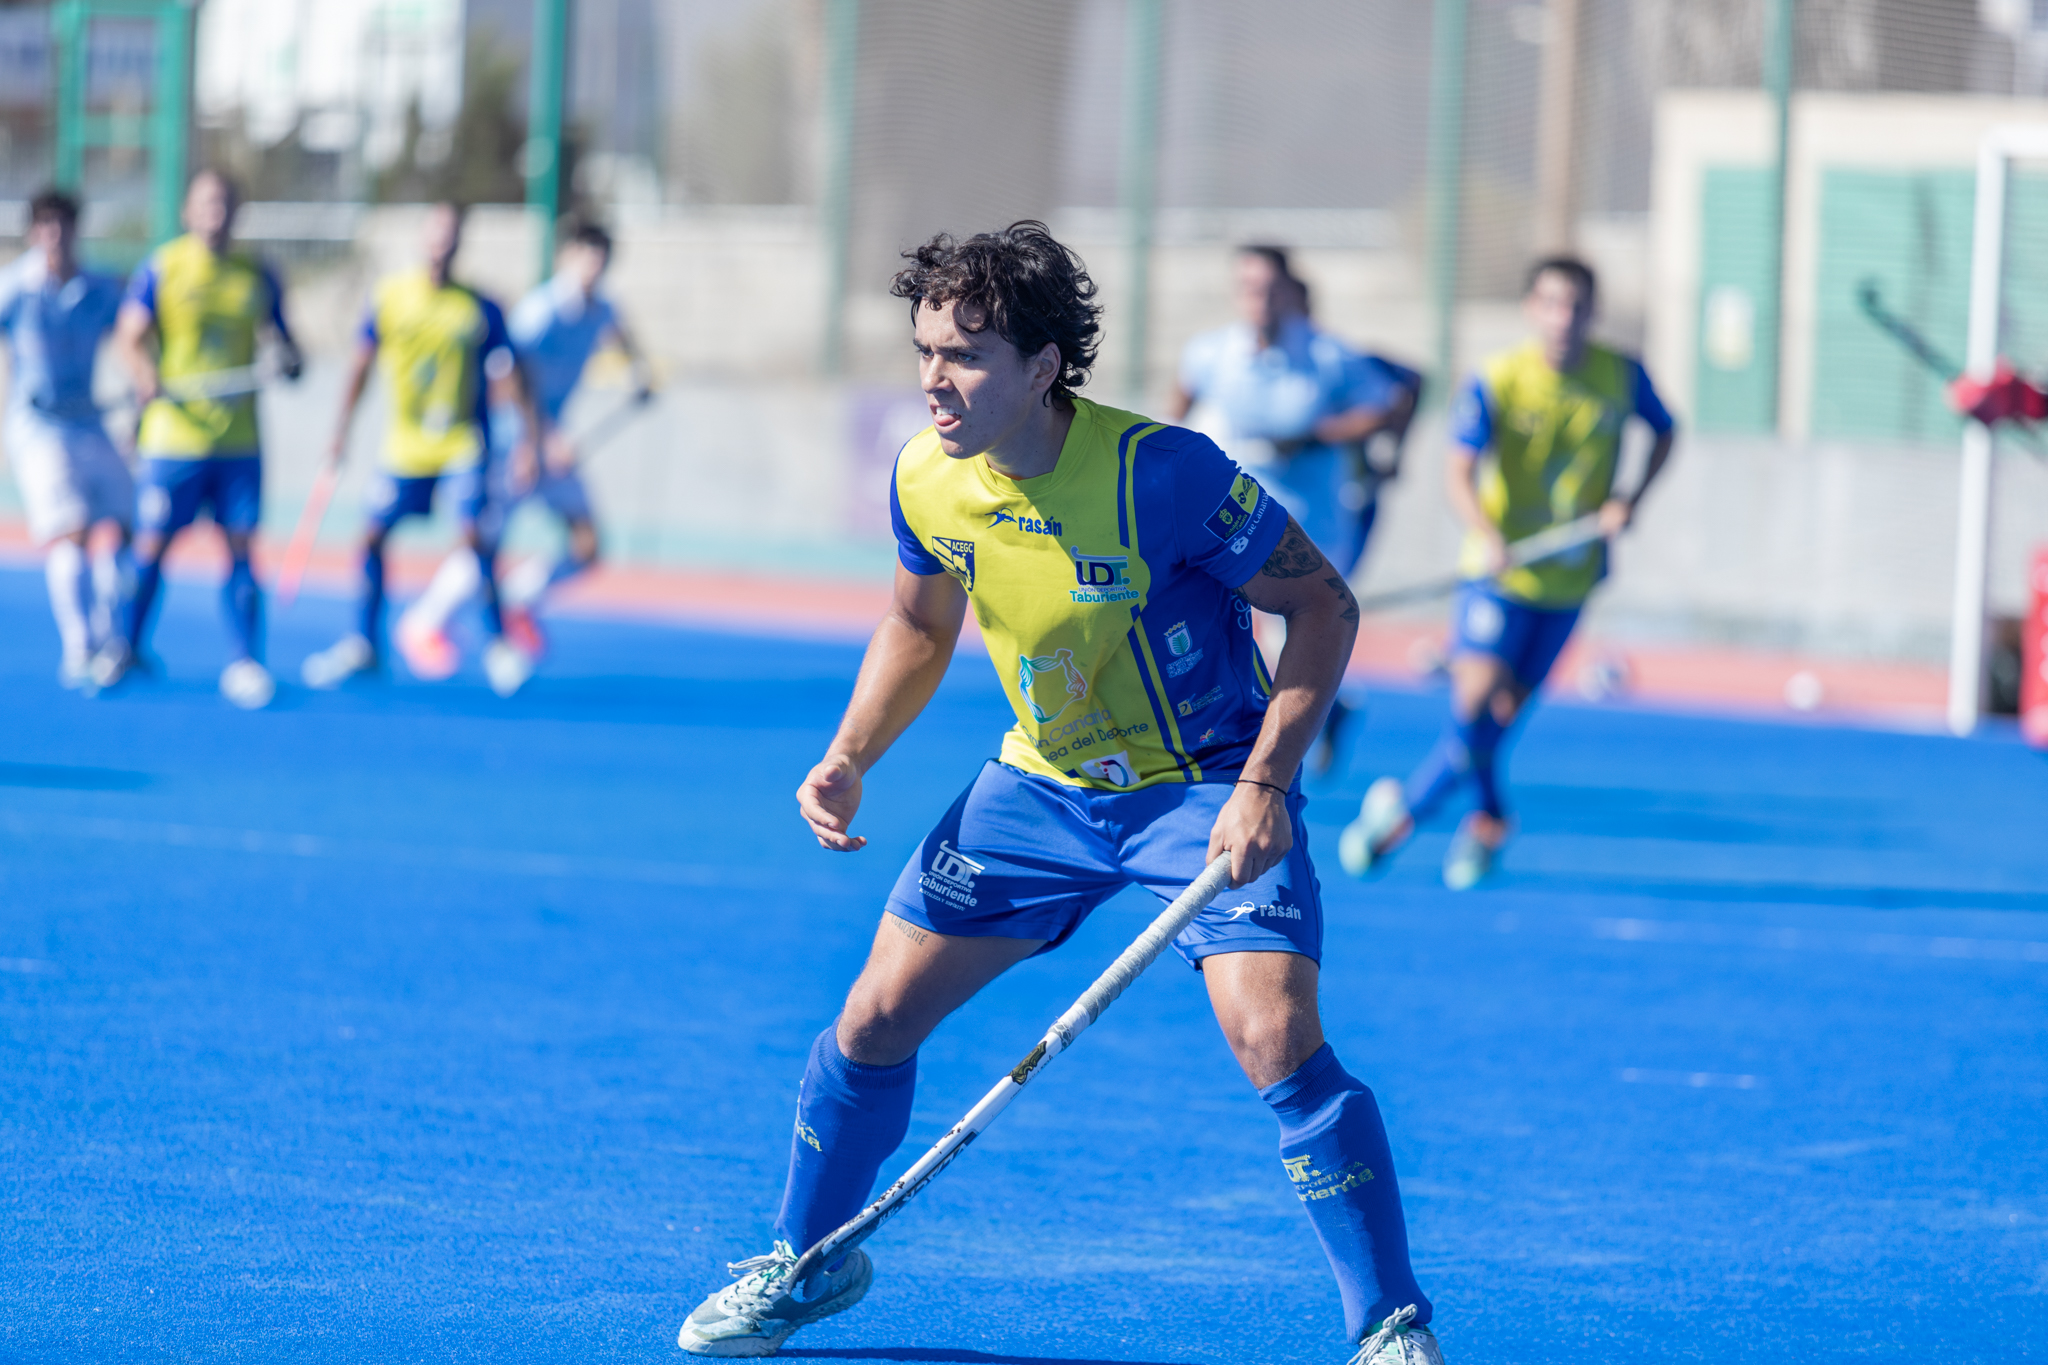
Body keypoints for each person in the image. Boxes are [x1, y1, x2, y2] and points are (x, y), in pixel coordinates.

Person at [676, 222, 1442, 1365]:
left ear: (1042, 367)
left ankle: (1387, 1326)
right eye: (924, 349)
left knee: (1275, 1036)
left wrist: (1265, 784)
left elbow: (1321, 606)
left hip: (1203, 786)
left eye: (964, 355)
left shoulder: (1163, 475)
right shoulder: (925, 477)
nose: (934, 377)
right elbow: (916, 624)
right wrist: (849, 755)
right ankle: (802, 1262)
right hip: (1039, 788)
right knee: (870, 1023)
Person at [1339, 257, 1676, 891]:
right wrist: (1487, 535)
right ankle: (1451, 820)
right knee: (1473, 709)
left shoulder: (1621, 376)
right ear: (1531, 310)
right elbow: (1458, 471)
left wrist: (1630, 497)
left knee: (1494, 725)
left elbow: (1666, 431)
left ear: (1593, 313)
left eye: (1576, 306)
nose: (1564, 319)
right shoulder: (1496, 380)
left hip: (1570, 580)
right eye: (1552, 304)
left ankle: (1455, 815)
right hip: (1497, 575)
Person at [1170, 245, 1418, 774]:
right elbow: (1177, 412)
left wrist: (1317, 437)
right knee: (1216, 635)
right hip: (1228, 526)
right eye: (1248, 287)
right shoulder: (1212, 353)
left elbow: (1393, 402)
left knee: (1291, 640)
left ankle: (1274, 768)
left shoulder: (1328, 357)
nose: (1259, 299)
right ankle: (1289, 725)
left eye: (1269, 288)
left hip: (1310, 523)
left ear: (1288, 291)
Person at [298, 202, 541, 697]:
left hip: (460, 443)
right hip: (405, 447)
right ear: (422, 238)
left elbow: (514, 376)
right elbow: (361, 365)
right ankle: (364, 644)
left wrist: (530, 443)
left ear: (460, 243)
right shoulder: (390, 297)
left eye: (452, 234)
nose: (442, 243)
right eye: (436, 232)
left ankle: (498, 645)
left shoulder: (479, 307)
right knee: (371, 536)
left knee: (475, 536)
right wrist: (341, 430)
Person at [394, 217, 653, 674]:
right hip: (514, 440)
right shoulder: (541, 311)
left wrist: (638, 373)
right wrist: (537, 441)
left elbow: (621, 332)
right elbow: (508, 376)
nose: (593, 266)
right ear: (567, 255)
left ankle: (518, 601)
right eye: (585, 255)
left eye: (601, 257)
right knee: (487, 542)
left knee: (587, 545)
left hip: (551, 443)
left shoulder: (604, 308)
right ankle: (424, 622)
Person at [104, 169, 303, 707]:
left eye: (225, 202)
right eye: (206, 202)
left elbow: (286, 343)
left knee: (240, 548)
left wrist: (288, 360)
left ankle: (245, 662)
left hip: (238, 442)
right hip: (174, 438)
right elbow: (130, 337)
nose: (216, 212)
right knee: (151, 545)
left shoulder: (257, 274)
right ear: (187, 211)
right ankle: (124, 647)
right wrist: (145, 377)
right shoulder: (163, 267)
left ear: (237, 212)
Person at [0, 190, 135, 688]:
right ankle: (78, 647)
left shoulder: (99, 286)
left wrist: (143, 382)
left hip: (90, 422)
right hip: (39, 426)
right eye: (45, 225)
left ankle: (110, 638)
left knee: (123, 525)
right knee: (72, 528)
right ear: (33, 232)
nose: (55, 235)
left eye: (63, 225)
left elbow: (132, 334)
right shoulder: (15, 287)